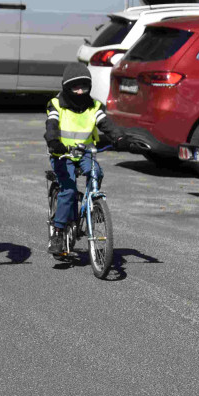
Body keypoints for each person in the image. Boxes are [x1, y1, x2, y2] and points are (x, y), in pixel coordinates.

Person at [45, 62, 130, 256]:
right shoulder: (56, 104)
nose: (80, 91)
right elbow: (51, 125)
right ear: (66, 87)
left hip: (84, 153)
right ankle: (57, 233)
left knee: (96, 172)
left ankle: (92, 207)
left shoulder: (94, 106)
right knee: (68, 190)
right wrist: (53, 141)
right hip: (62, 153)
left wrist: (119, 137)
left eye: (84, 87)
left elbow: (105, 124)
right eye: (75, 87)